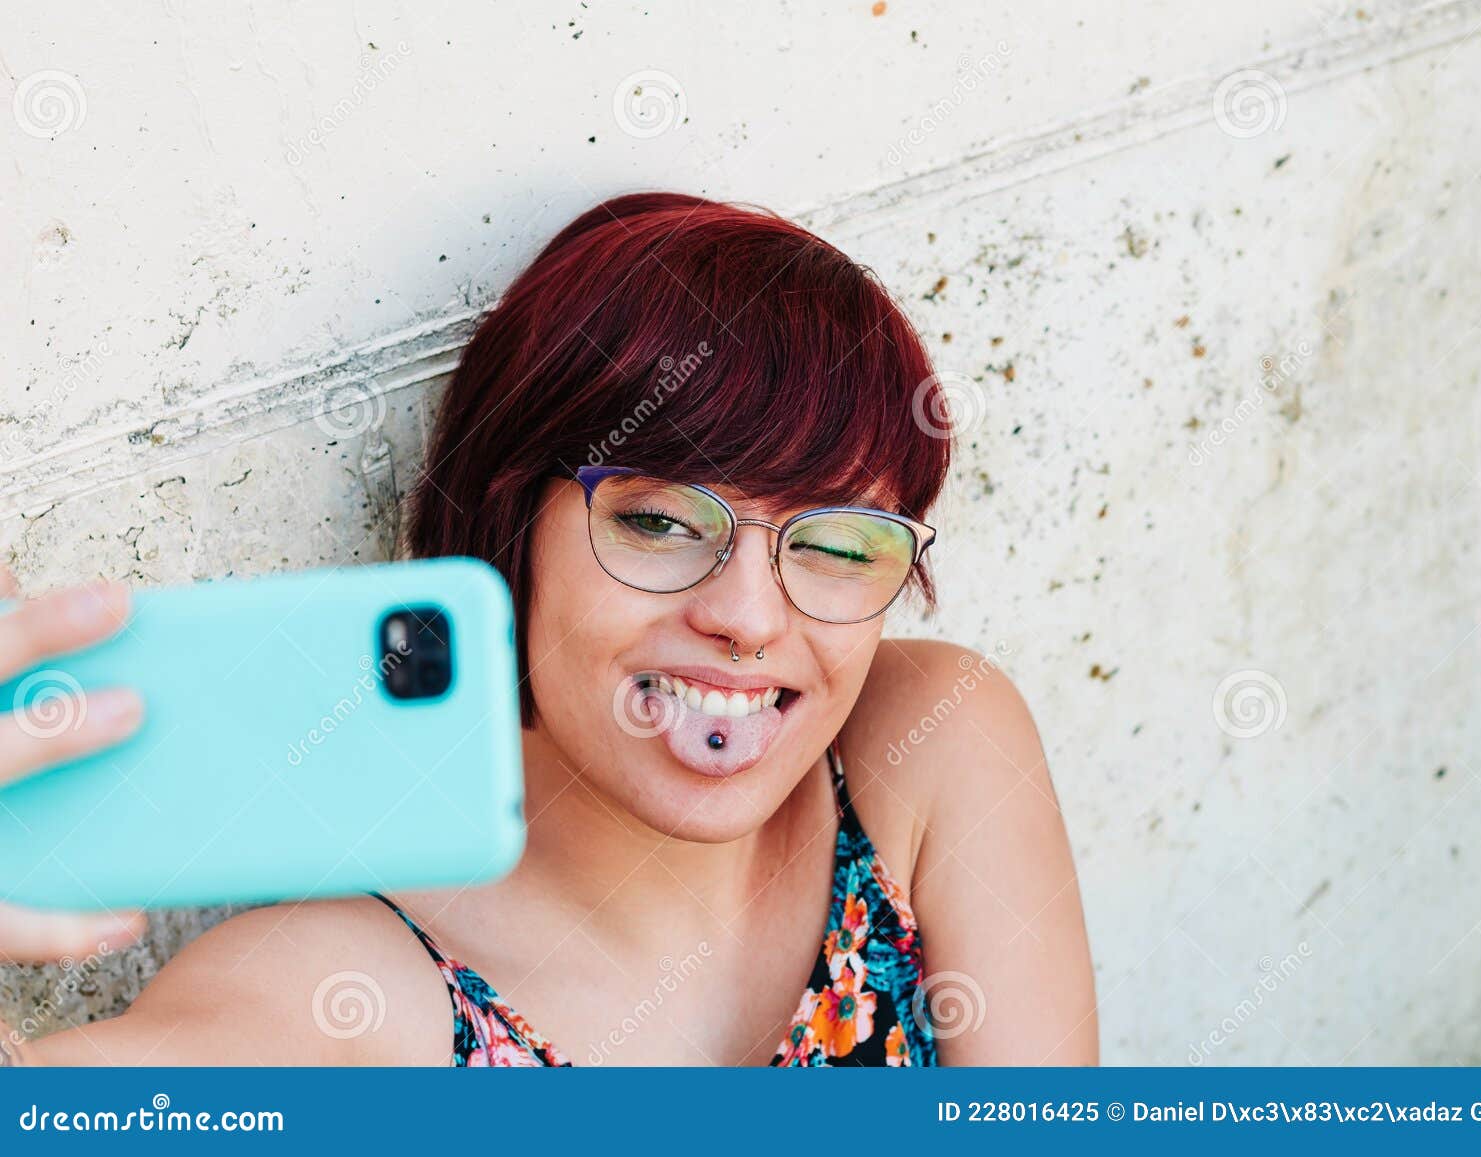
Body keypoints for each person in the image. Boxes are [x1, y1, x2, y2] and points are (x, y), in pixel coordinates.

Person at [0, 192, 1096, 1066]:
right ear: (511, 524)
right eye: (660, 521)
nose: (749, 619)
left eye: (838, 545)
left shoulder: (931, 747)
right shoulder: (352, 995)